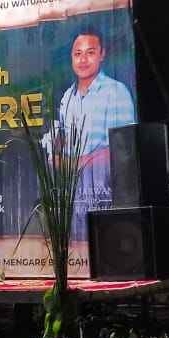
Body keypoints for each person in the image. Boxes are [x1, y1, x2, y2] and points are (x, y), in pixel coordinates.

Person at [43, 29, 136, 236]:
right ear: (71, 58)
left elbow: (121, 151)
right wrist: (55, 151)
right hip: (74, 195)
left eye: (90, 52)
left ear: (102, 54)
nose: (83, 59)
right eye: (78, 54)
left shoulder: (116, 92)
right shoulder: (68, 97)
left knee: (106, 251)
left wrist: (73, 163)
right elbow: (60, 145)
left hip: (105, 195)